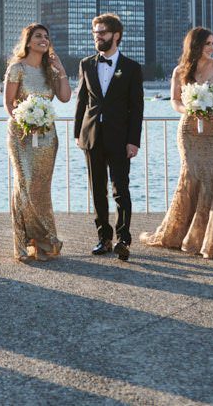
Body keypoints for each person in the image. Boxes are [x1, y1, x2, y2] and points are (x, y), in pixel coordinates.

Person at [141, 27, 213, 259]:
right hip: (190, 131)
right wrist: (190, 110)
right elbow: (174, 101)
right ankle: (183, 232)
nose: (212, 48)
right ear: (196, 45)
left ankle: (210, 238)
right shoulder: (180, 71)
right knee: (191, 175)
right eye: (208, 44)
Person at [74, 13, 144, 261]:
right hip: (91, 136)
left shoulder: (132, 68)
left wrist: (133, 141)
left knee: (120, 189)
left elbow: (137, 108)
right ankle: (103, 238)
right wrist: (77, 135)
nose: (97, 36)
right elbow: (82, 101)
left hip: (120, 137)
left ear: (116, 35)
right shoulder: (86, 64)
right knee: (97, 189)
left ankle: (123, 239)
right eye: (95, 32)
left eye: (102, 32)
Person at [4, 24, 71, 262]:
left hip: (47, 136)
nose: (44, 39)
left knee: (41, 188)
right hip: (21, 134)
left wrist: (61, 69)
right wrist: (25, 120)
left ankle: (43, 242)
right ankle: (21, 243)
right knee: (25, 183)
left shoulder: (50, 71)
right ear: (28, 41)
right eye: (38, 36)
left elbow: (64, 97)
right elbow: (9, 103)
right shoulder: (17, 68)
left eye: (46, 36)